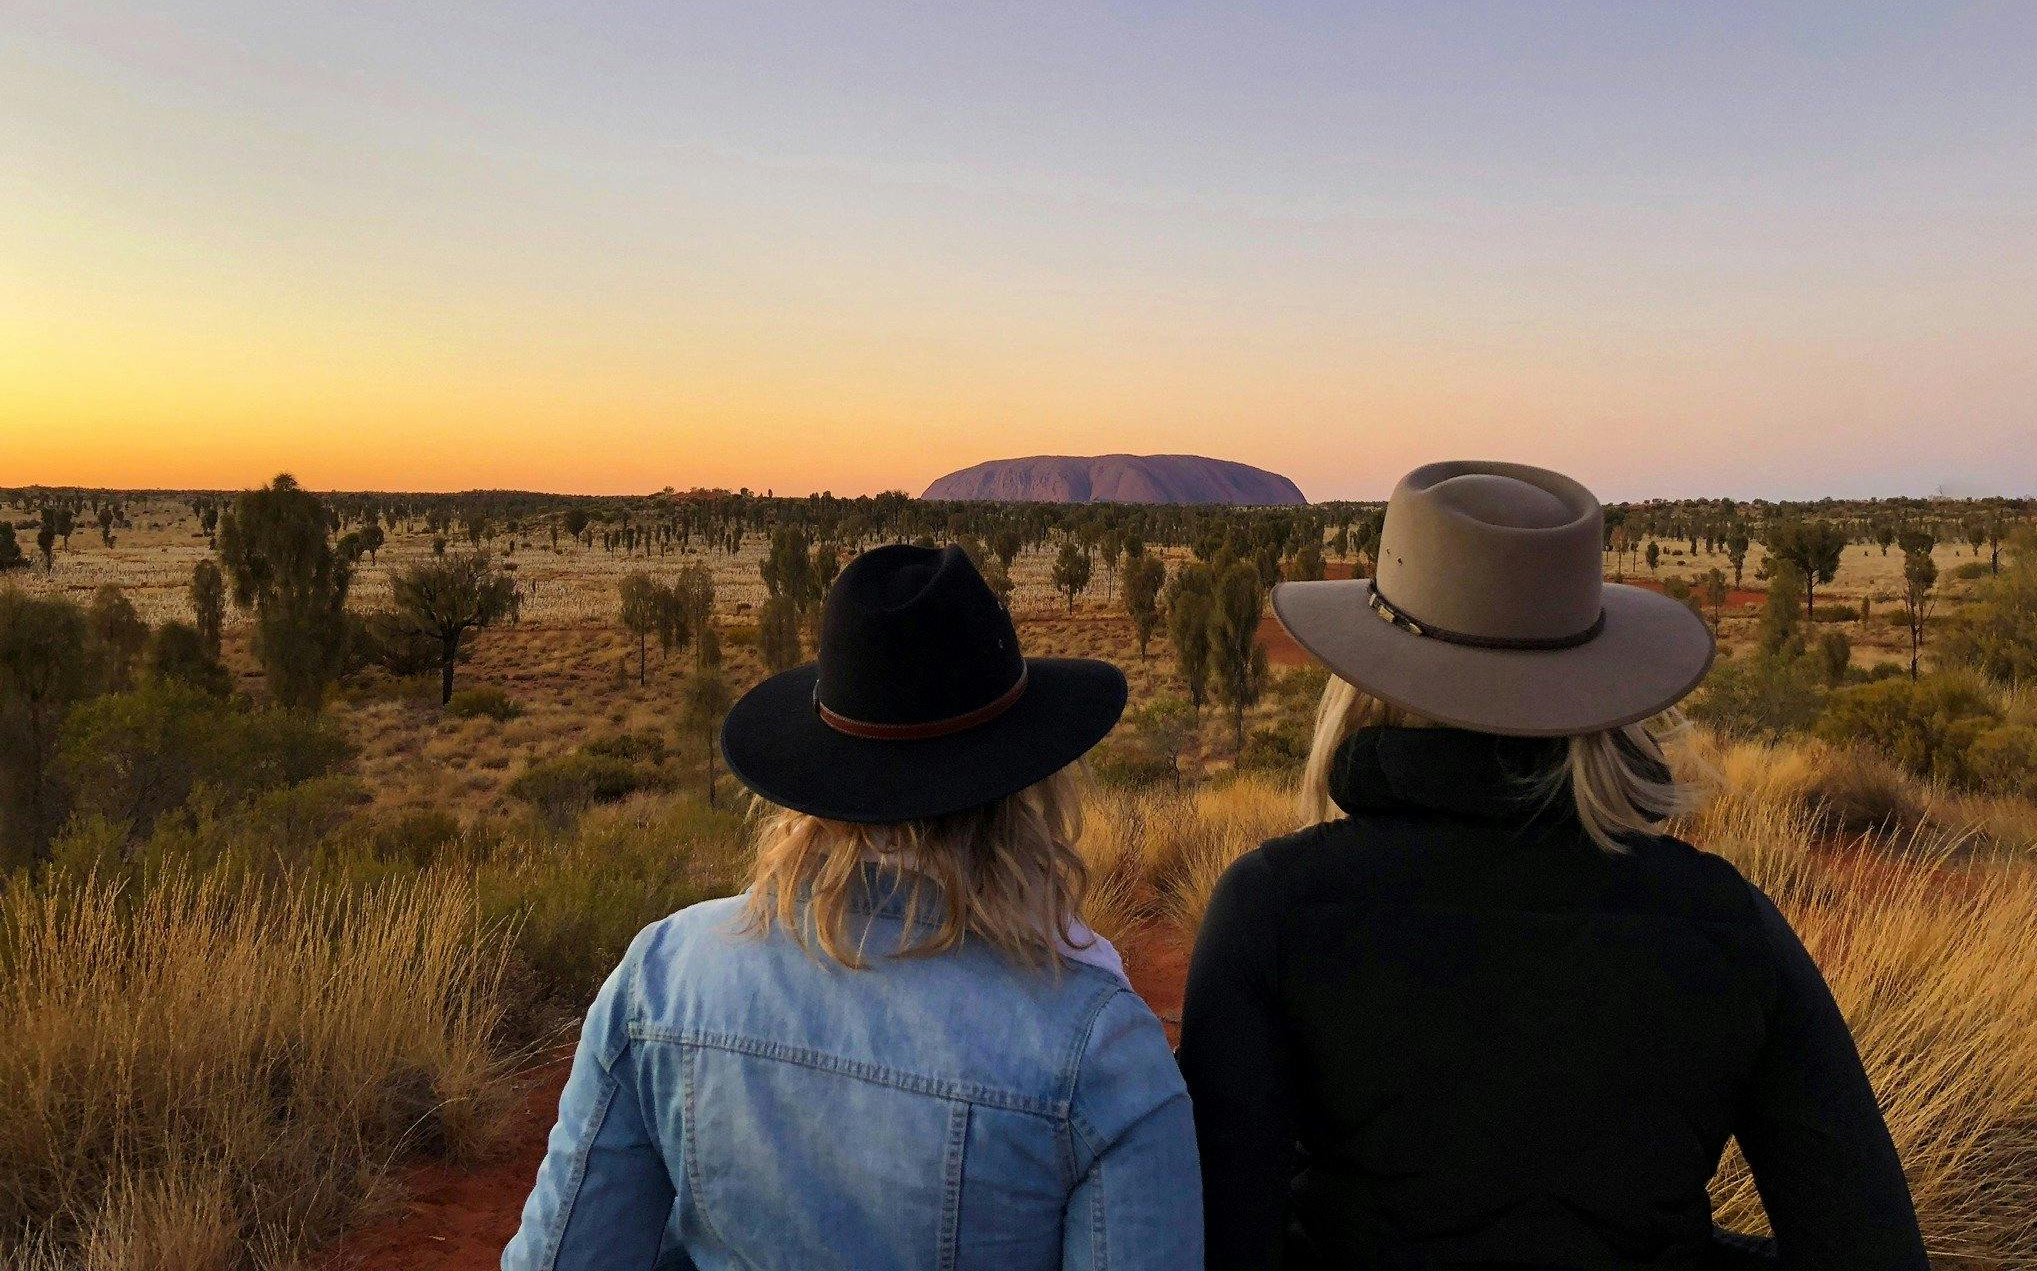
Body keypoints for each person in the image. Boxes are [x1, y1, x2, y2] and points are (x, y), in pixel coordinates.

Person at [1179, 461, 1928, 1270]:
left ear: (1361, 680)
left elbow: (1218, 1240)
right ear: (1594, 685)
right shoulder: (1724, 923)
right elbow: (1870, 1244)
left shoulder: (1274, 908)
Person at [504, 542, 1199, 1271]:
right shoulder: (1099, 1047)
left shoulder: (661, 978)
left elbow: (562, 1257)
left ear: (818, 770)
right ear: (1026, 788)